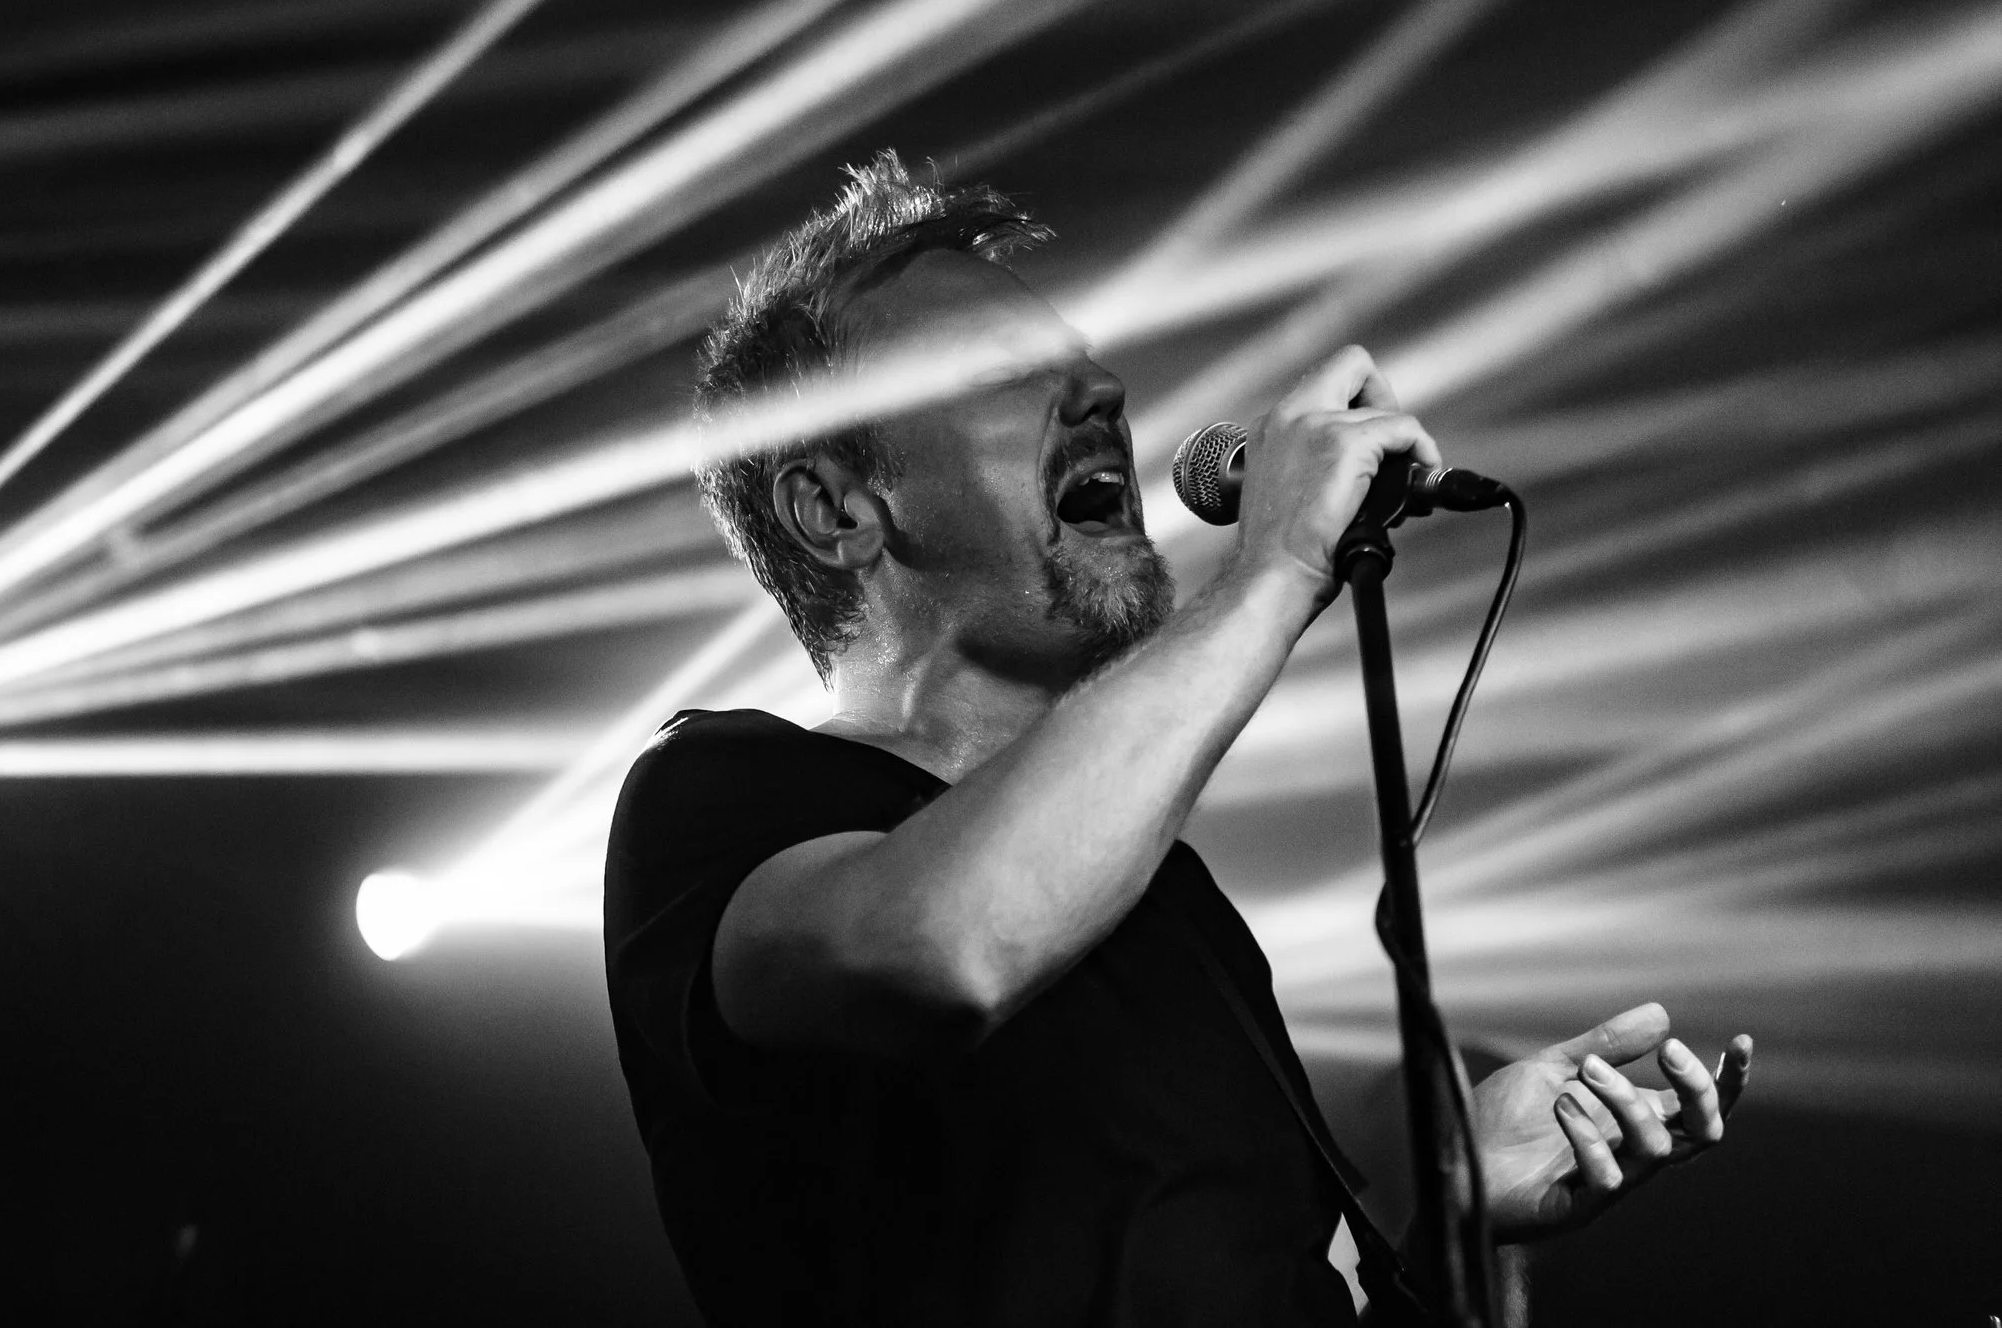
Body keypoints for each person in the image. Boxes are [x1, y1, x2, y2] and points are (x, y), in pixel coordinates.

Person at [602, 153, 1753, 1326]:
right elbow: (941, 953)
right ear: (837, 509)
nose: (1102, 392)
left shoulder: (1171, 898)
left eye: (1082, 365)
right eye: (1004, 373)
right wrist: (1275, 567)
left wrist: (1459, 1233)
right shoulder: (718, 795)